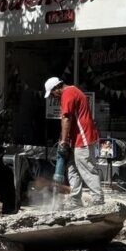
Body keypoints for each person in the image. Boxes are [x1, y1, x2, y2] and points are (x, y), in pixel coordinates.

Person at [44, 77, 104, 208]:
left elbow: (66, 118)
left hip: (83, 138)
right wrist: (64, 138)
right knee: (72, 169)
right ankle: (75, 200)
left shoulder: (68, 93)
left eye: (52, 93)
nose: (53, 97)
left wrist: (64, 141)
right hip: (75, 140)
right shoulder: (71, 91)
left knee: (87, 169)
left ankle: (98, 200)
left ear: (57, 88)